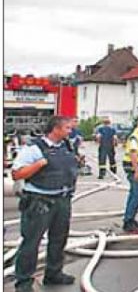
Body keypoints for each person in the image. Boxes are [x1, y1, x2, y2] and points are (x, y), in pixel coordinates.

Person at [11, 116, 79, 291]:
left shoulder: (66, 146)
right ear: (55, 129)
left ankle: (53, 274)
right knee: (31, 243)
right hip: (39, 201)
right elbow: (17, 174)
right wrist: (38, 165)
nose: (70, 131)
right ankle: (24, 283)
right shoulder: (34, 149)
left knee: (59, 239)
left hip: (62, 199)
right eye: (67, 128)